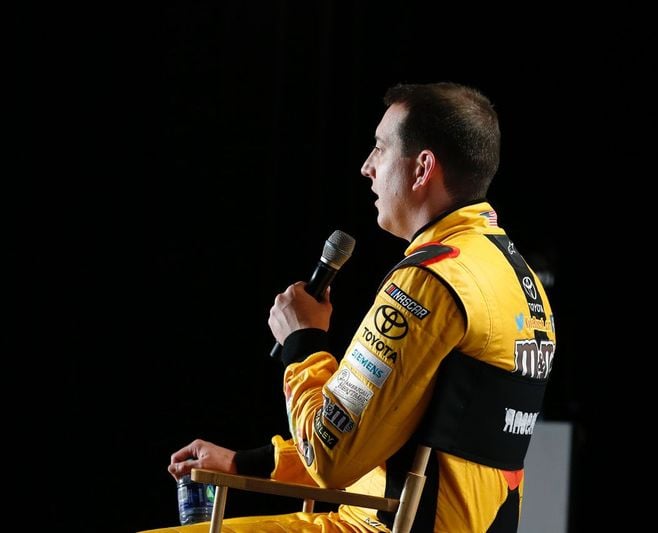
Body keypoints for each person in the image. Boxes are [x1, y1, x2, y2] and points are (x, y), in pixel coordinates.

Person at [145, 82, 557, 532]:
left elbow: (331, 455)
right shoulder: (519, 278)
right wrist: (251, 462)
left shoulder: (430, 280)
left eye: (380, 148)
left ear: (422, 168)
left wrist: (302, 341)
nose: (366, 167)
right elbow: (386, 436)